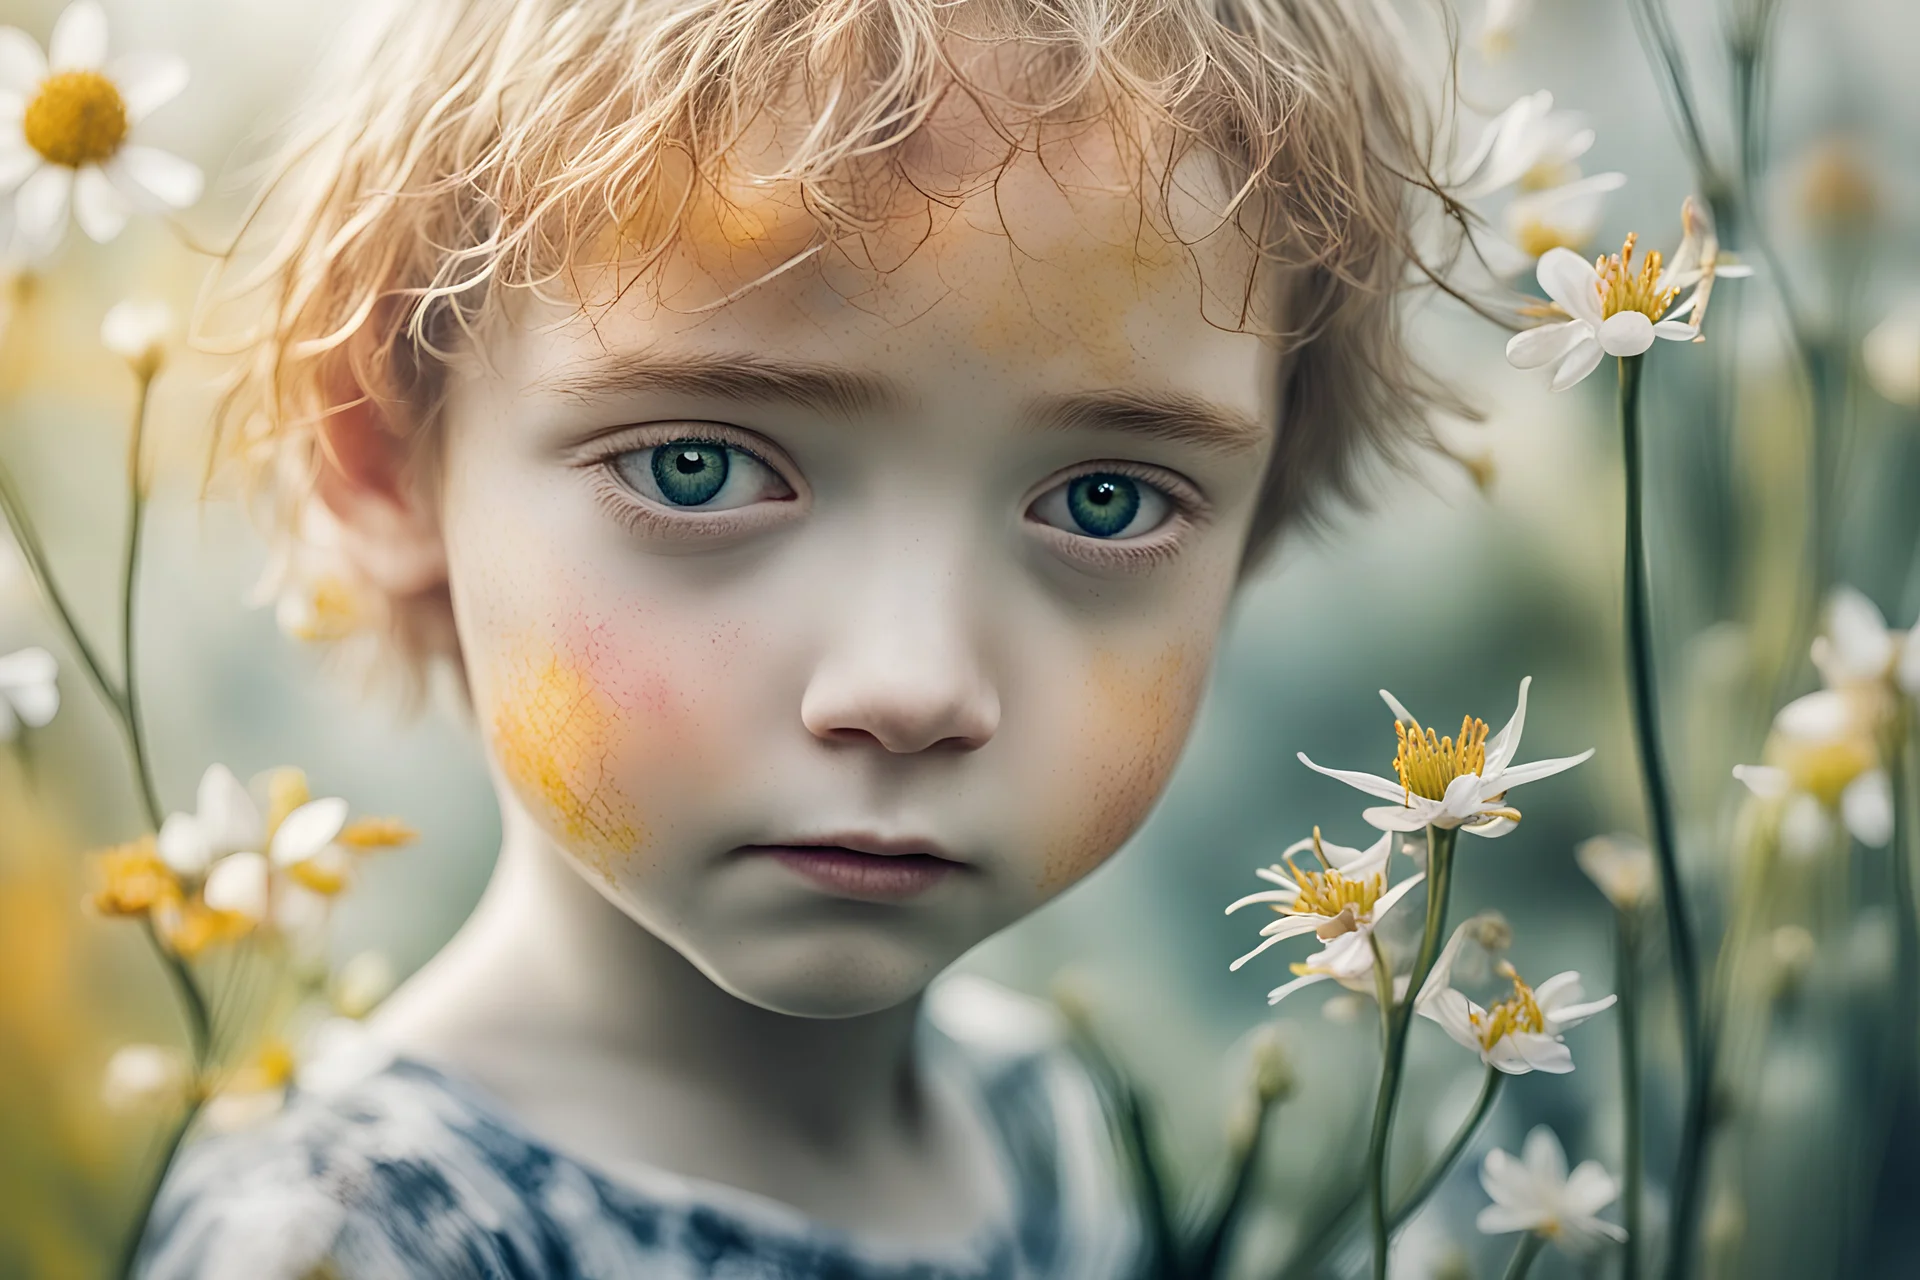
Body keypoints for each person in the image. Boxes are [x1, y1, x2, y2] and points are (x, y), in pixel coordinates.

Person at [142, 0, 1459, 1274]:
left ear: (1261, 523)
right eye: (701, 468)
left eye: (1101, 500)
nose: (912, 684)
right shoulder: (354, 1245)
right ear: (381, 454)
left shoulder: (1053, 1129)